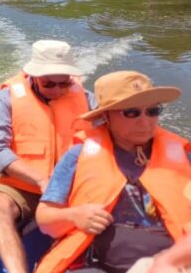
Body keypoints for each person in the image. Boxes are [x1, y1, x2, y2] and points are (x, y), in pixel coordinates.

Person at [33, 71, 190, 273]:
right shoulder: (78, 155)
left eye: (152, 111)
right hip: (97, 265)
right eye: (131, 113)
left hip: (174, 262)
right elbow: (45, 219)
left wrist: (172, 261)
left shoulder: (183, 155)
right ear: (106, 116)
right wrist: (74, 216)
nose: (145, 121)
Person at [0, 40, 95, 273]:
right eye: (49, 84)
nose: (57, 90)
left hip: (73, 187)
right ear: (34, 77)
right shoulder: (7, 97)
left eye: (64, 83)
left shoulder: (87, 98)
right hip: (22, 185)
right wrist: (40, 180)